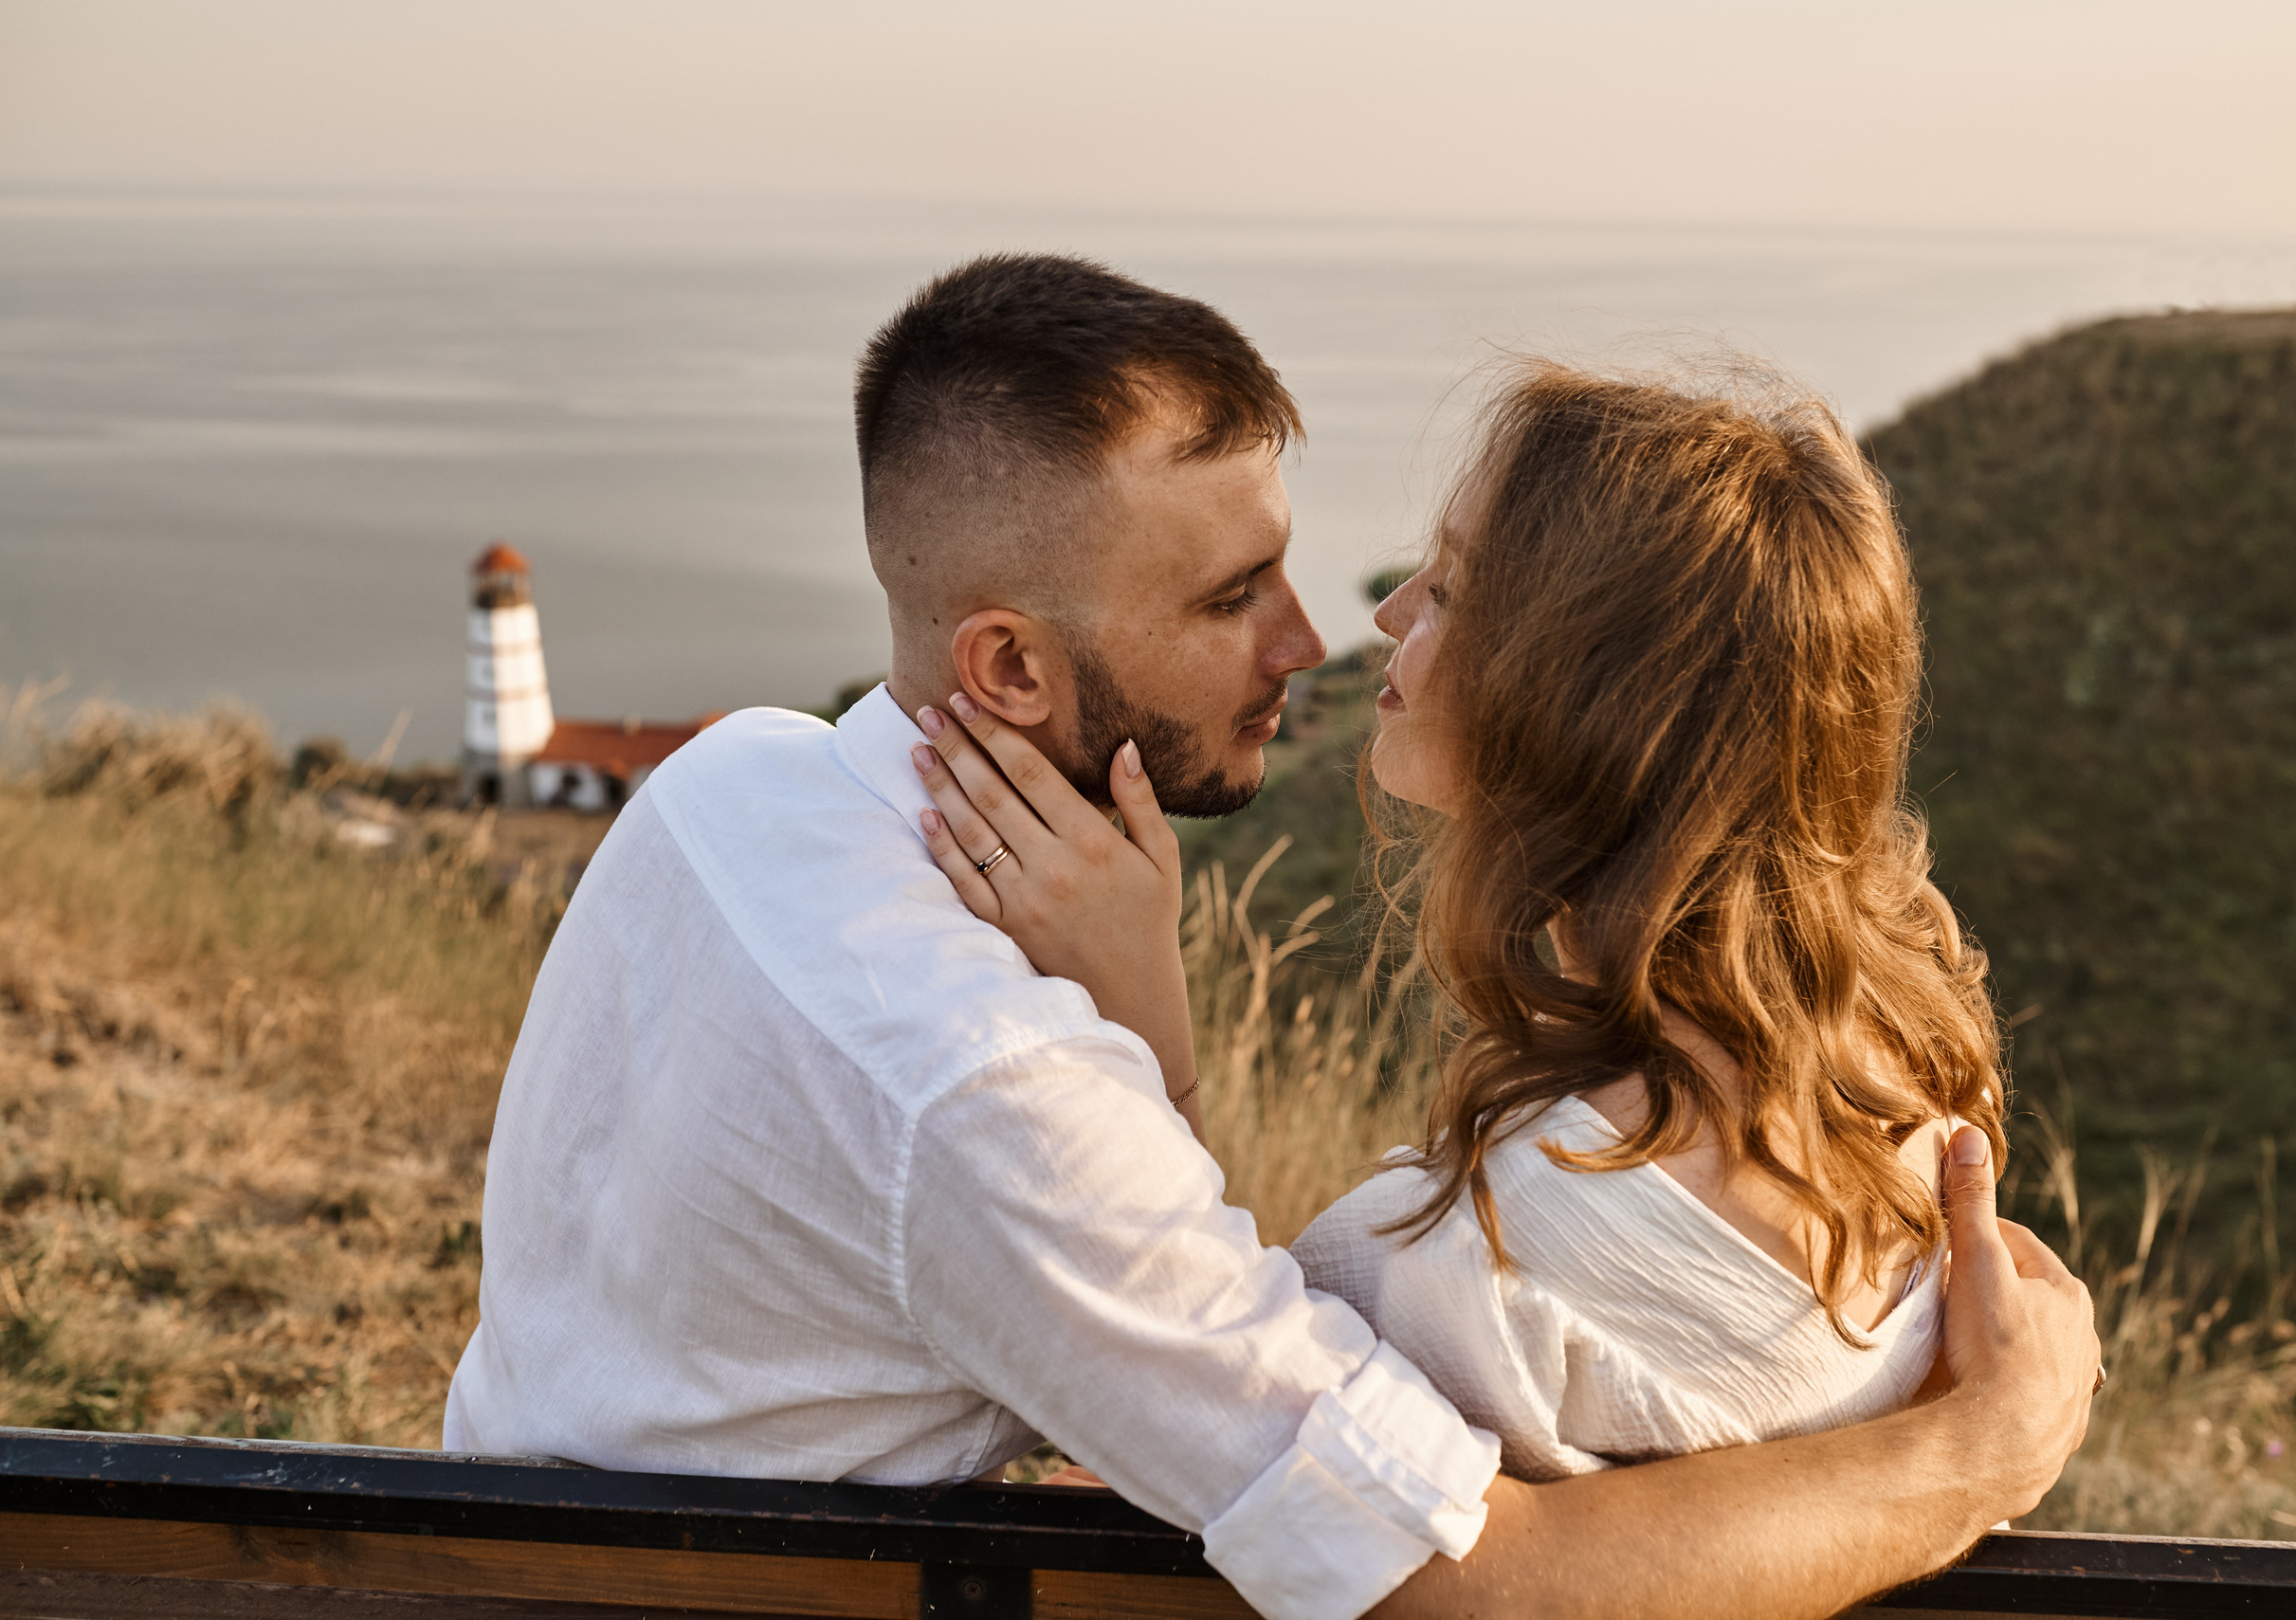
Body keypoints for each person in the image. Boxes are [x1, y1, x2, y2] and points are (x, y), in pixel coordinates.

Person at [448, 253, 2099, 1620]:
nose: (1318, 637)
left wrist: (1127, 1044)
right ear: (1011, 671)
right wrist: (1990, 1441)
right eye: (1233, 595)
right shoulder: (993, 1090)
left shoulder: (724, 780)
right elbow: (1458, 1580)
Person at [927, 357, 2008, 1486]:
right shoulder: (1914, 1092)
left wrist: (1142, 1026)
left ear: (1577, 698)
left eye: (1448, 588)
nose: (1388, 611)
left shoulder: (1482, 1260)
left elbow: (1179, 1456)